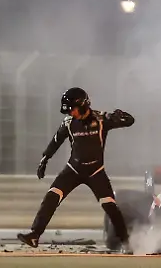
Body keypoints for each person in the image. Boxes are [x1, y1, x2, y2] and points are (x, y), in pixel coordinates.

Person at [17, 87, 135, 251]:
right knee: (51, 197)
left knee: (110, 207)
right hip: (73, 169)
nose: (70, 113)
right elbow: (56, 140)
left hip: (96, 171)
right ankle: (35, 235)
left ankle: (126, 242)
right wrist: (45, 158)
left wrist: (120, 115)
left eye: (72, 109)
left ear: (83, 105)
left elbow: (130, 121)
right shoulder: (68, 122)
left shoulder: (102, 119)